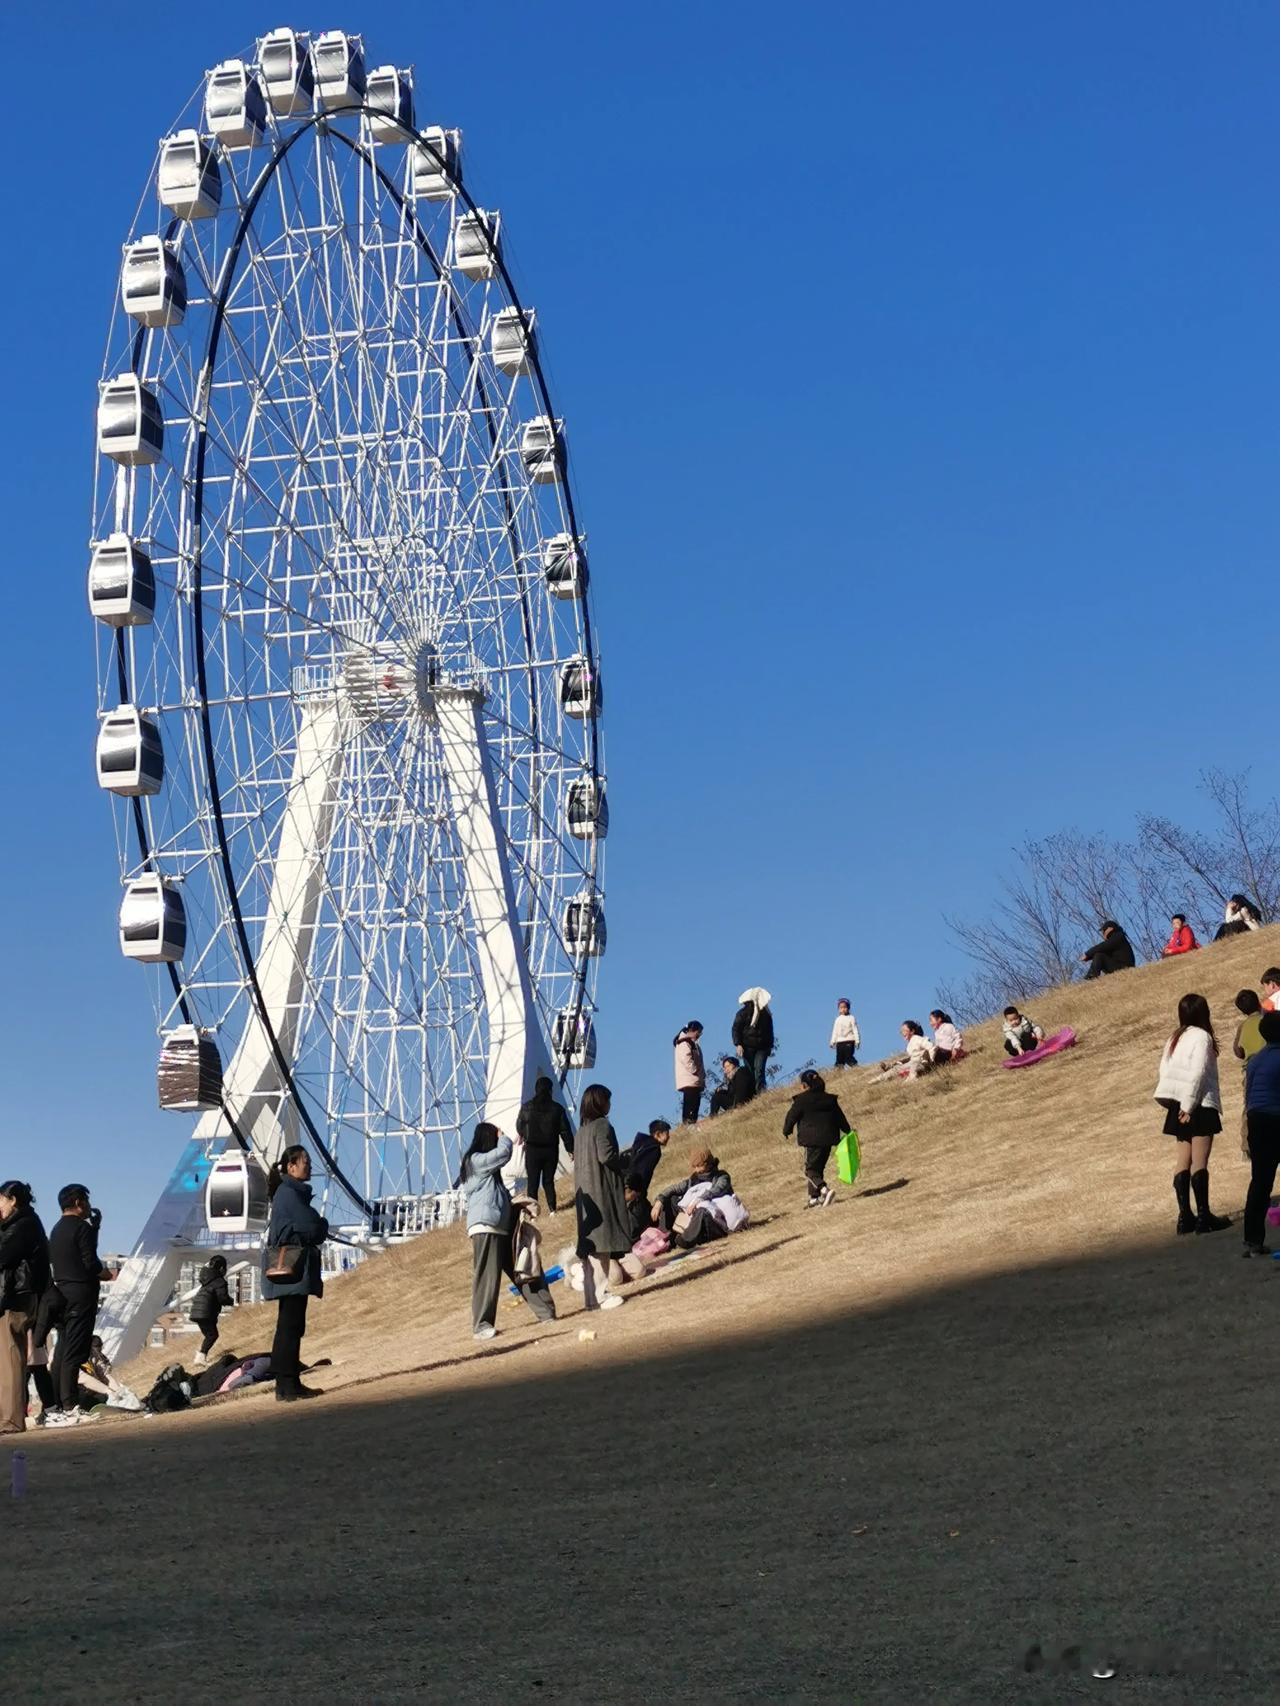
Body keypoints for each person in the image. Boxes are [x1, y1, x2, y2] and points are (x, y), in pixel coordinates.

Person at [461, 1123, 555, 1340]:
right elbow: (503, 1153)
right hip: (486, 1226)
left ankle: (546, 1312)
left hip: (502, 1227)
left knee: (523, 1268)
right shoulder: (474, 1161)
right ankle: (482, 1326)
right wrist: (505, 1138)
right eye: (496, 1134)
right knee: (487, 1277)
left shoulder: (489, 1174)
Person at [1153, 993, 1227, 1236]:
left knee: (1182, 1160)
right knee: (1199, 1161)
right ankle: (1204, 1217)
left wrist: (1177, 1105)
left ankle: (1185, 1217)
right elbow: (1198, 1073)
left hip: (1178, 1103)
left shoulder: (1175, 1037)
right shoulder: (1202, 1037)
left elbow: (1164, 1070)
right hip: (1198, 1104)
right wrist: (1189, 1104)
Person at [262, 1146, 329, 1403]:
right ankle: (288, 1384)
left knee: (290, 1325)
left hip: (294, 1267)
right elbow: (312, 1226)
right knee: (290, 1326)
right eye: (305, 1161)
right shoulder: (290, 1193)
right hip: (293, 1267)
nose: (309, 1166)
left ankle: (288, 1382)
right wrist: (321, 1225)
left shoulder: (289, 1193)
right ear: (291, 1167)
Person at [47, 1184, 103, 1427]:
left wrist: (95, 1228)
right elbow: (90, 1262)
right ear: (79, 1203)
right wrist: (104, 1273)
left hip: (62, 1292)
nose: (89, 1206)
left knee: (61, 1351)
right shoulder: (82, 1228)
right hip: (81, 1293)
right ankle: (70, 1405)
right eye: (87, 1202)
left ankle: (56, 1405)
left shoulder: (56, 1230)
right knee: (74, 1352)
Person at [573, 1084, 631, 1310]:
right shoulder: (602, 1126)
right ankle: (600, 1295)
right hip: (601, 1191)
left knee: (591, 1248)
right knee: (602, 1246)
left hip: (584, 1194)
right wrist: (626, 1160)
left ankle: (591, 1298)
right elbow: (607, 1156)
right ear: (600, 1103)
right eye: (607, 1100)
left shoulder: (580, 1133)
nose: (610, 1105)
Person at [0, 1181, 50, 1435]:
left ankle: (10, 1420)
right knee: (8, 1358)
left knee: (9, 1358)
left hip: (16, 1299)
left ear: (13, 1200)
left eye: (0, 1201)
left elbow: (4, 1256)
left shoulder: (22, 1225)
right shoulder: (24, 1223)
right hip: (17, 1297)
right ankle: (8, 1417)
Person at [783, 1069, 852, 1209]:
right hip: (829, 1138)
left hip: (811, 1139)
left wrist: (787, 1130)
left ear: (804, 1085)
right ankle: (814, 1199)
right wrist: (847, 1131)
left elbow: (791, 1116)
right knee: (818, 1168)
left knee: (810, 1170)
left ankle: (824, 1190)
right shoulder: (829, 1099)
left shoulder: (801, 1100)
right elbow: (840, 1117)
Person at [1242, 1011, 1280, 1256]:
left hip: (1257, 1120)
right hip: (1277, 1117)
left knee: (1260, 1182)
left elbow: (1249, 1096)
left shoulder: (1256, 1059)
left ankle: (1253, 1241)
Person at [652, 1147, 735, 1245]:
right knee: (671, 1199)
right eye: (694, 1166)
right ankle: (666, 1237)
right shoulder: (694, 1179)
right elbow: (675, 1188)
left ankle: (687, 1240)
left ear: (708, 1163)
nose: (697, 1170)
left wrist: (698, 1201)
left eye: (699, 1166)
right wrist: (659, 1201)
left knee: (702, 1211)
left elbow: (716, 1190)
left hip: (715, 1218)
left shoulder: (721, 1177)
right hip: (692, 1215)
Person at [515, 1076, 575, 1214]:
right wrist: (570, 1149)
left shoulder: (527, 1107)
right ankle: (552, 1210)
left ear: (536, 1090)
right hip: (550, 1150)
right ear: (550, 1090)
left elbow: (519, 1125)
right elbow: (565, 1131)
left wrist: (525, 1134)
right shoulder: (557, 1109)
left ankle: (532, 1212)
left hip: (532, 1149)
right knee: (548, 1181)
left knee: (532, 1182)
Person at [189, 1254, 234, 1365]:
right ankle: (200, 1358)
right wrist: (231, 1301)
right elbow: (222, 1298)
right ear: (222, 1268)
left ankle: (200, 1354)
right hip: (206, 1311)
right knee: (212, 1335)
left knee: (209, 1335)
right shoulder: (219, 1281)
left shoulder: (206, 1279)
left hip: (197, 1311)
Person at [732, 987, 775, 1095]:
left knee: (759, 1070)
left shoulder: (766, 1014)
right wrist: (738, 1044)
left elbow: (769, 1031)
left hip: (762, 1047)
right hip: (747, 1047)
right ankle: (752, 1094)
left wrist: (770, 1046)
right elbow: (736, 1029)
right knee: (751, 1071)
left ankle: (761, 1093)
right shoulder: (742, 1014)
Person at [619, 1120, 671, 1193]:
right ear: (658, 1134)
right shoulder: (654, 1149)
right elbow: (644, 1171)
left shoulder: (641, 1143)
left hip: (625, 1185)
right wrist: (641, 1193)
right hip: (634, 1190)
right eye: (667, 1133)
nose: (669, 1136)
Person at [673, 1022, 706, 1126]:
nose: (699, 1035)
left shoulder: (691, 1043)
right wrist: (695, 1070)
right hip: (689, 1079)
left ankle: (691, 1125)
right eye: (699, 1032)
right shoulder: (684, 1043)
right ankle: (688, 1126)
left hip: (693, 1080)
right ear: (693, 1031)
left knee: (694, 1104)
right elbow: (686, 1059)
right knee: (690, 1106)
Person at [829, 999, 861, 1068]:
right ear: (838, 1009)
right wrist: (832, 1041)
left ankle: (856, 1068)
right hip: (839, 1042)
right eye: (841, 1007)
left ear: (848, 1008)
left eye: (845, 1007)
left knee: (848, 1058)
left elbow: (855, 1030)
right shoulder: (837, 1019)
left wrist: (857, 1041)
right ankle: (838, 1072)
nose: (843, 1009)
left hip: (849, 1041)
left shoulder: (851, 1018)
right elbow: (835, 1031)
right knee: (839, 1059)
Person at [624, 1173, 652, 1245]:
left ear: (637, 1192)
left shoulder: (638, 1207)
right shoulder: (626, 1204)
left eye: (626, 1188)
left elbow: (633, 1233)